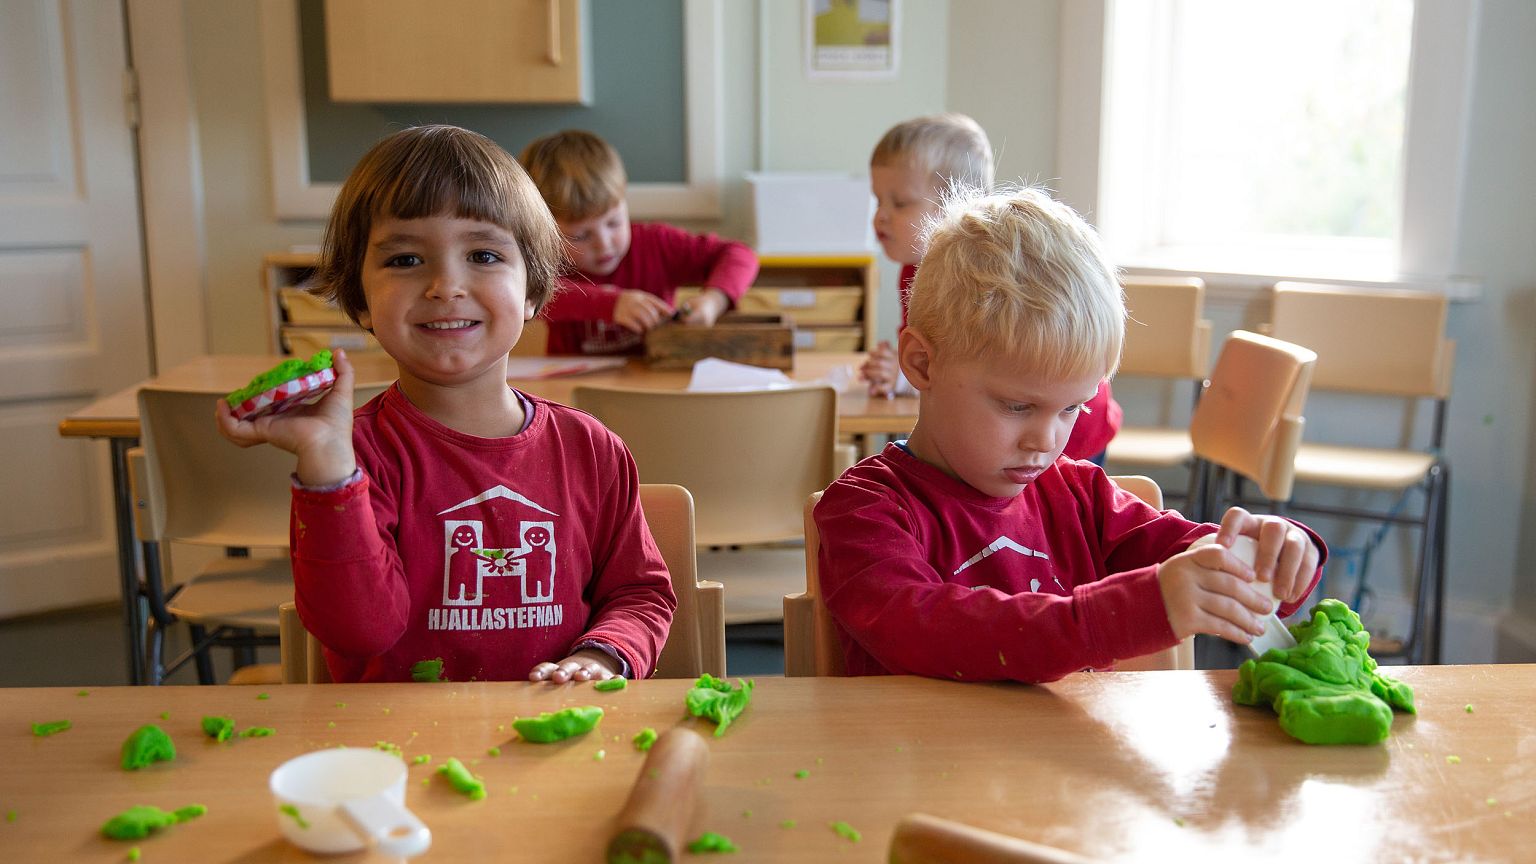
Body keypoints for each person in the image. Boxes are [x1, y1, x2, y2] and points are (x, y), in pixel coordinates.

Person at [216, 125, 676, 684]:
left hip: (558, 745)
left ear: (533, 290)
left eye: (483, 254)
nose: (445, 285)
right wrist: (327, 467)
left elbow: (639, 594)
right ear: (360, 301)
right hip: (395, 749)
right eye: (405, 261)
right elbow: (359, 633)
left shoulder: (591, 450)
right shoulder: (349, 457)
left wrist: (602, 656)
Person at [814, 187, 1326, 683]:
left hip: (1063, 770)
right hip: (919, 764)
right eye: (1018, 406)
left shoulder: (1084, 499)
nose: (1046, 440)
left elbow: (1207, 560)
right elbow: (925, 629)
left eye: (1072, 409)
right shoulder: (862, 512)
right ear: (922, 364)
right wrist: (1117, 614)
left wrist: (1270, 558)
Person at [859, 114, 1121, 463]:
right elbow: (947, 358)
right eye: (878, 201)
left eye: (900, 203)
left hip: (1068, 433)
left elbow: (995, 362)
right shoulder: (914, 270)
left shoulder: (983, 277)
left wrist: (900, 377)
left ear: (952, 205)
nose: (880, 216)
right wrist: (900, 373)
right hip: (1012, 433)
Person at [518, 130, 759, 355]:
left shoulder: (656, 244)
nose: (604, 245)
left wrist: (713, 301)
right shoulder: (544, 262)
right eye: (581, 236)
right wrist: (611, 305)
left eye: (613, 223)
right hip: (574, 394)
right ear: (545, 233)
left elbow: (739, 254)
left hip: (656, 387)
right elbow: (534, 292)